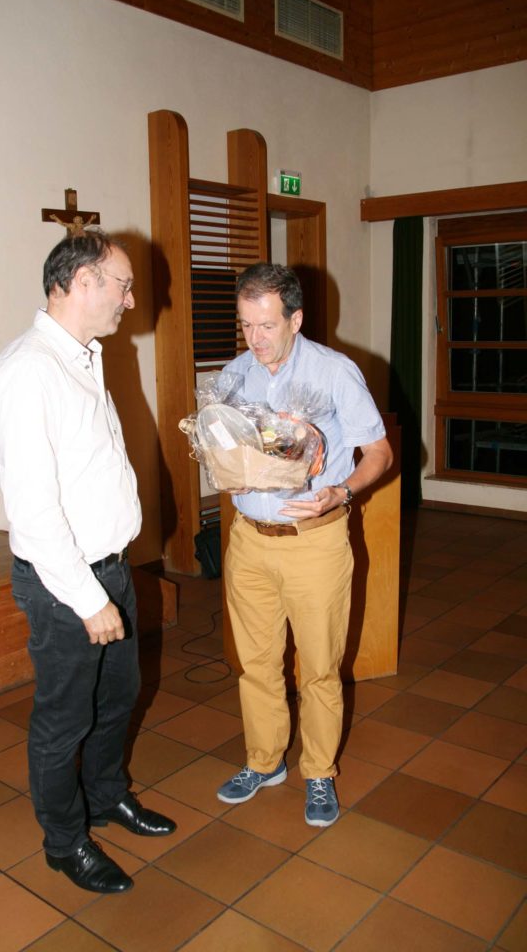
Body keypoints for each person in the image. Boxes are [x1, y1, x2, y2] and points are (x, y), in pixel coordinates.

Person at [0, 229, 176, 895]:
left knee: (117, 697)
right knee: (65, 718)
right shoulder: (29, 371)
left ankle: (104, 796)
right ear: (84, 282)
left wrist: (110, 581)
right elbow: (35, 513)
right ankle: (65, 842)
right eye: (123, 285)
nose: (131, 299)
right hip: (66, 582)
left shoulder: (83, 356)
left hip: (109, 569)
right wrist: (89, 599)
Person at [216, 263, 393, 828]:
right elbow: (224, 447)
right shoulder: (233, 375)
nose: (255, 338)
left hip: (315, 543)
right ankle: (264, 760)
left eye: (267, 325)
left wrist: (341, 491)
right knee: (256, 665)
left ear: (295, 319)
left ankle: (318, 771)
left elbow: (380, 454)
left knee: (318, 669)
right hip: (249, 541)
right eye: (246, 325)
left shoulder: (334, 372)